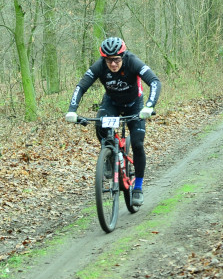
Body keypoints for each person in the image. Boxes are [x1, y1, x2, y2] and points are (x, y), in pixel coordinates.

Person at [65, 36, 161, 206]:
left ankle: (137, 187)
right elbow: (81, 86)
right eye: (109, 61)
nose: (113, 64)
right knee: (100, 124)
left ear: (123, 57)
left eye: (116, 60)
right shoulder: (99, 66)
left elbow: (154, 81)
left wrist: (149, 106)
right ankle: (109, 156)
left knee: (138, 144)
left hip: (135, 105)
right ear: (104, 59)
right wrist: (72, 110)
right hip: (112, 103)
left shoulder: (132, 62)